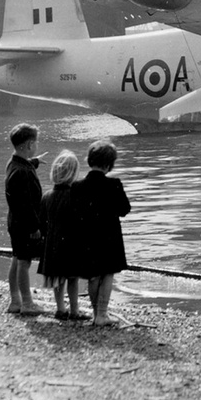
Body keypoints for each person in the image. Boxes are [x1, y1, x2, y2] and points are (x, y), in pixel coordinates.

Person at [73, 140, 131, 327]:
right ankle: (102, 314)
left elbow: (74, 212)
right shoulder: (114, 184)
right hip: (109, 236)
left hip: (86, 236)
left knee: (93, 275)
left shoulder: (77, 186)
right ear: (109, 164)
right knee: (107, 273)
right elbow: (124, 209)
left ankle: (95, 312)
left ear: (90, 160)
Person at [38, 150, 89, 322]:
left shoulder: (46, 196)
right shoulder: (77, 196)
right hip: (72, 244)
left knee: (57, 279)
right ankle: (75, 310)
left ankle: (60, 309)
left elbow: (42, 221)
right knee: (72, 279)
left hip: (53, 244)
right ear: (74, 173)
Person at [5, 122, 46, 316]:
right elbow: (26, 204)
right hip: (24, 224)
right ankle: (27, 303)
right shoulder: (23, 173)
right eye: (35, 143)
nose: (36, 146)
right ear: (29, 145)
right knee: (24, 262)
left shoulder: (14, 164)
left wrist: (35, 162)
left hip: (14, 222)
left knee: (16, 259)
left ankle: (15, 301)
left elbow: (24, 166)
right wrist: (34, 227)